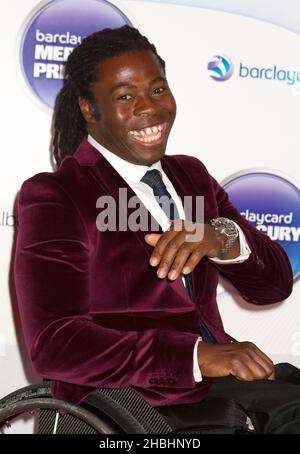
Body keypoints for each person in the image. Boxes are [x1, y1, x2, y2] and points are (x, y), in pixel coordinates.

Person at [14, 26, 299, 434]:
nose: (150, 108)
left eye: (158, 90)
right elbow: (56, 344)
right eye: (125, 97)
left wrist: (223, 238)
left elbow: (274, 286)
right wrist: (195, 356)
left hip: (221, 395)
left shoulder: (192, 177)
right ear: (90, 110)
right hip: (128, 407)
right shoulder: (56, 195)